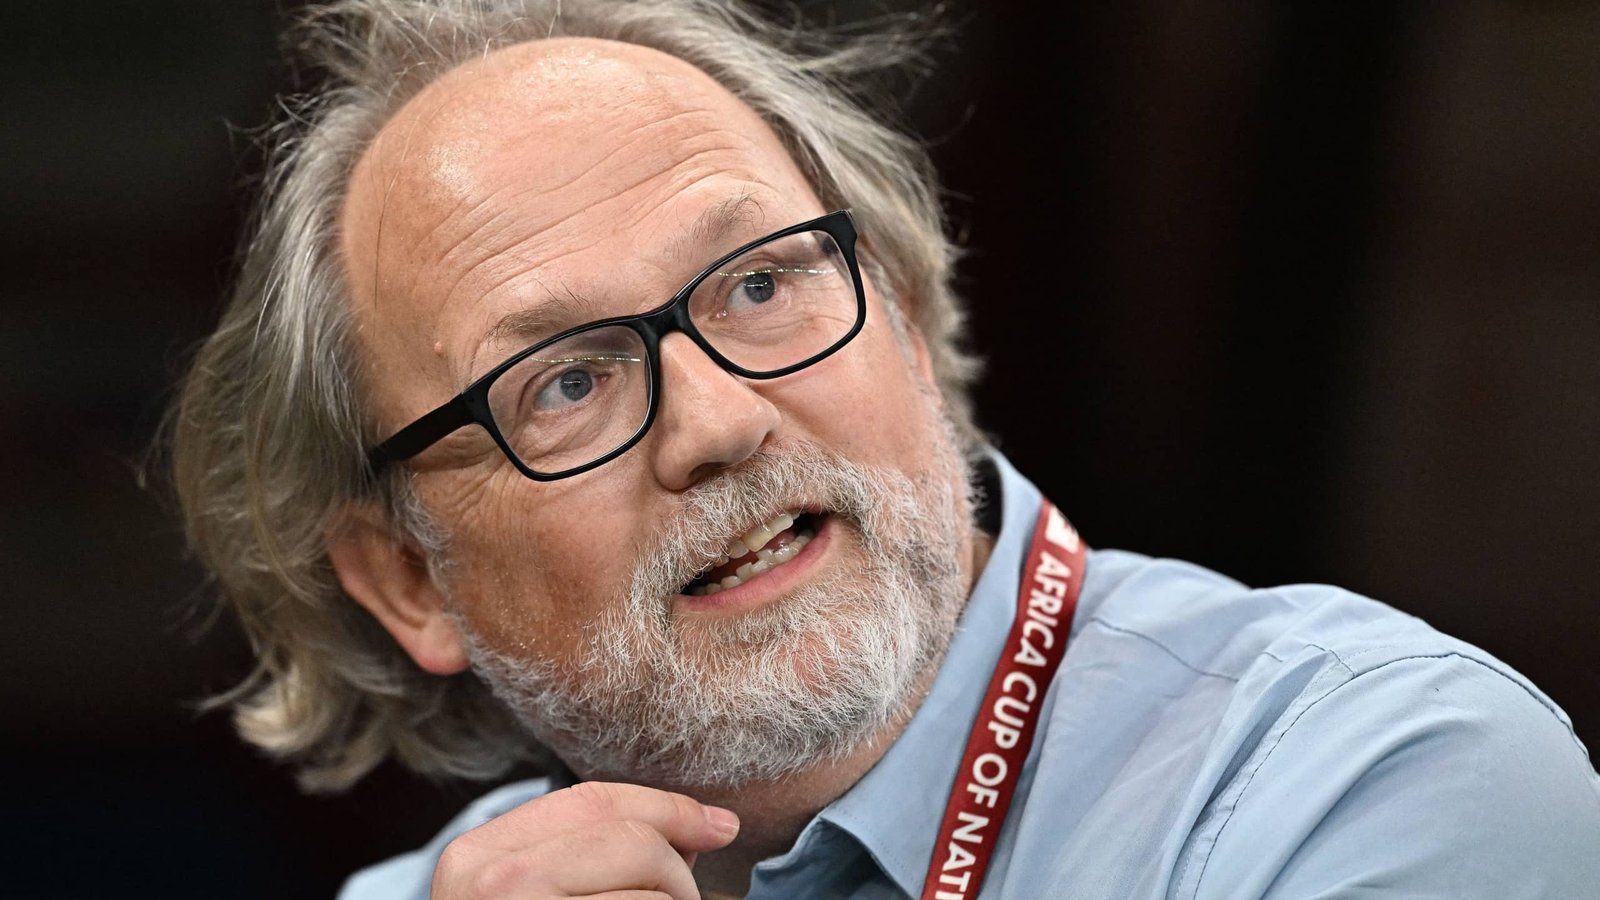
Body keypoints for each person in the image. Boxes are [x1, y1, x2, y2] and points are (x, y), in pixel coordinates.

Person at [167, 1, 1600, 897]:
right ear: (407, 579)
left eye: (761, 284)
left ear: (908, 316)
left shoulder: (1372, 777)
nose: (718, 422)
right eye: (564, 384)